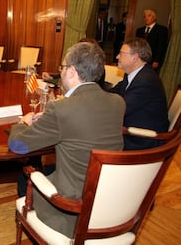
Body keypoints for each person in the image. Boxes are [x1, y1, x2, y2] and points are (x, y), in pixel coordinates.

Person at [8, 42, 125, 238]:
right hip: (110, 199)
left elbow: (18, 146)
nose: (60, 72)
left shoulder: (62, 109)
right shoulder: (118, 102)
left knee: (24, 178)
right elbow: (86, 126)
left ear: (71, 71)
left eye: (62, 67)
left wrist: (22, 122)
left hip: (73, 209)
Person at [109, 37, 169, 150]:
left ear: (135, 58)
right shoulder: (133, 73)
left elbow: (120, 109)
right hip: (131, 129)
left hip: (142, 141)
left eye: (121, 54)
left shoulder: (145, 81)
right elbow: (115, 91)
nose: (117, 57)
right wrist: (91, 92)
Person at [42, 38, 107, 89]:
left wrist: (54, 81)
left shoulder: (96, 68)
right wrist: (52, 77)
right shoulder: (80, 64)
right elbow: (65, 74)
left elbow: (78, 83)